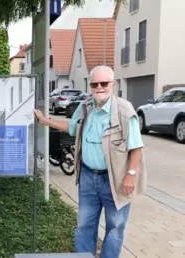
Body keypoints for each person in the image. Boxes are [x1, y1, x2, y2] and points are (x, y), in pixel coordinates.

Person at [34, 65, 147, 258]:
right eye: (95, 84)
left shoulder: (124, 111)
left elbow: (136, 147)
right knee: (84, 224)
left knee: (115, 227)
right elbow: (71, 127)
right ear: (91, 85)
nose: (99, 87)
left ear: (113, 84)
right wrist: (47, 121)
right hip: (88, 177)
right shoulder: (85, 106)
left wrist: (131, 174)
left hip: (116, 180)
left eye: (104, 83)